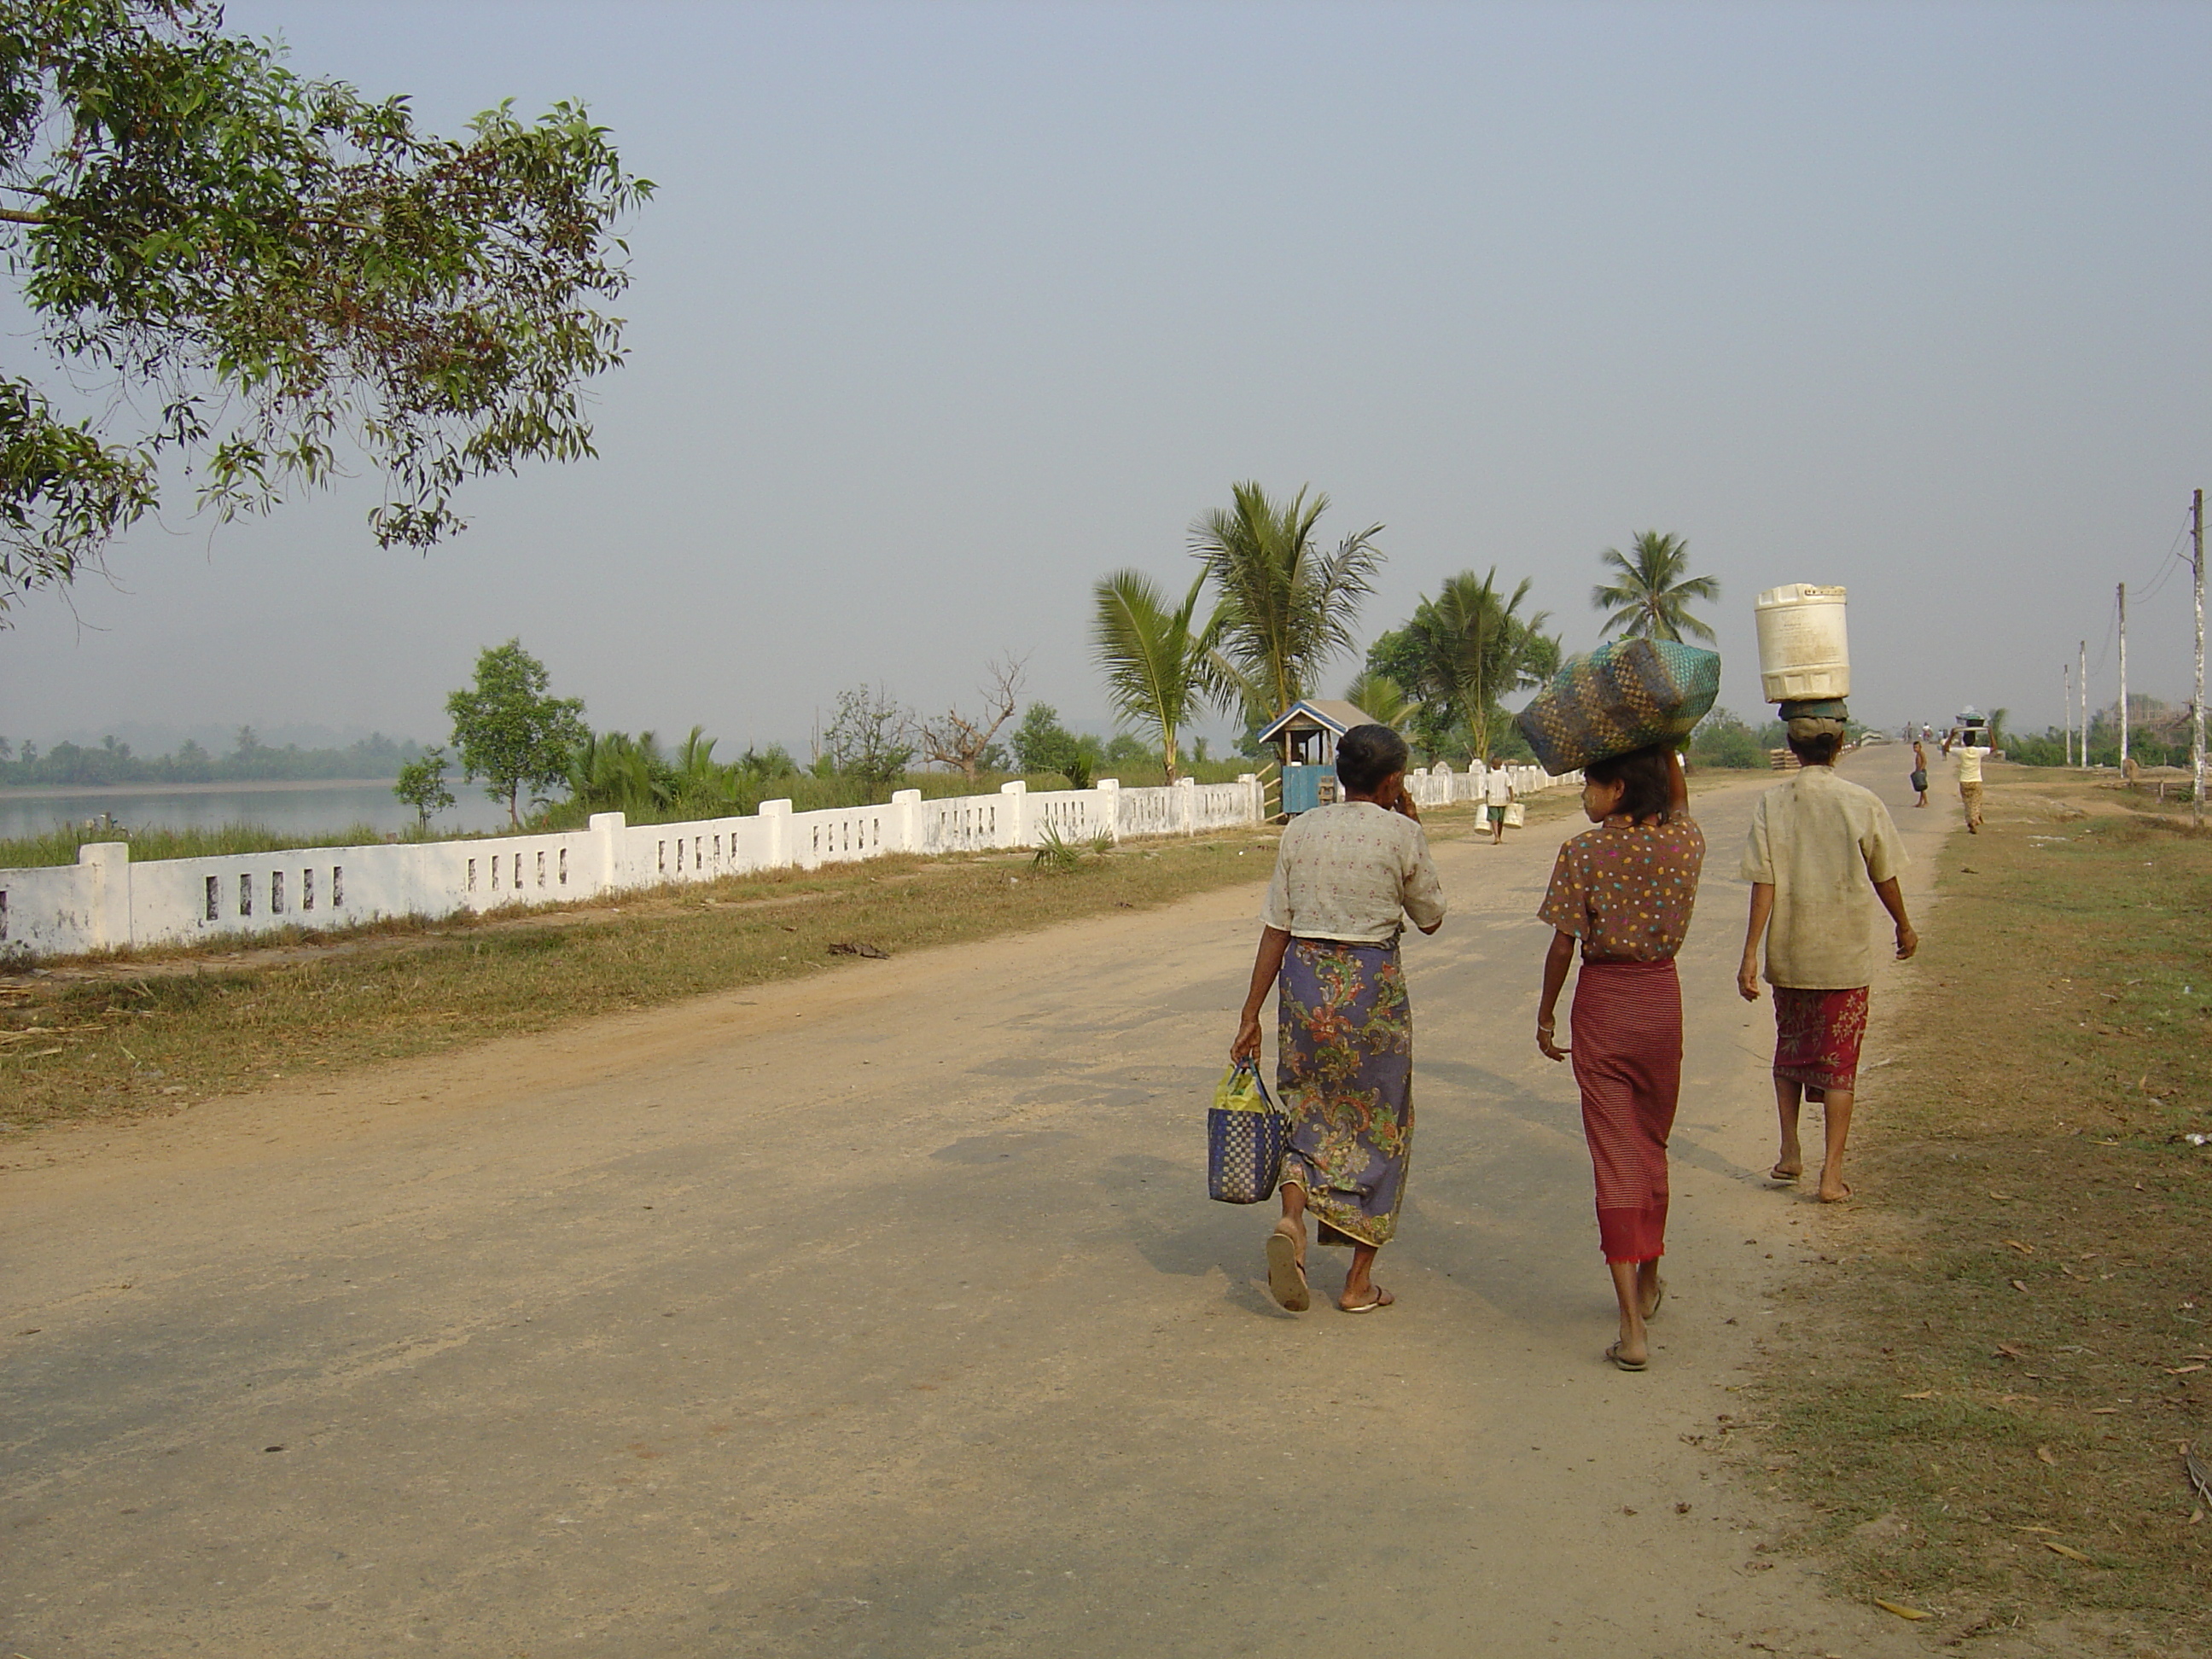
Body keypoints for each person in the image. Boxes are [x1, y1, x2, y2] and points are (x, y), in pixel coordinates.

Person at [1232, 724, 1446, 1314]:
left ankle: (1293, 1221)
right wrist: (1412, 823)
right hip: (1369, 991)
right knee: (1380, 1122)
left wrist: (1250, 1014)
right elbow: (1430, 916)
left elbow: (1276, 927)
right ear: (1394, 781)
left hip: (1304, 984)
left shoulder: (1300, 830)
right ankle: (1356, 1284)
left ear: (1338, 774)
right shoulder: (1402, 833)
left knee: (1309, 1108)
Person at [1534, 744, 1702, 1373]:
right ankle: (1651, 1279)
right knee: (1652, 1143)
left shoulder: (1584, 851)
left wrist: (1547, 1012)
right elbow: (1679, 802)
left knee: (1615, 1156)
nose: (1584, 796)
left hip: (1604, 1005)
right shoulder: (1682, 843)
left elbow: (1561, 947)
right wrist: (1663, 741)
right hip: (1661, 1002)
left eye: (1591, 785)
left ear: (1619, 791)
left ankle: (1631, 1325)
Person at [1737, 713, 1918, 1203]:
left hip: (1791, 952)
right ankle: (1830, 1175)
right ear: (1838, 744)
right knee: (1840, 1065)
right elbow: (1885, 875)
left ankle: (1790, 1149)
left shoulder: (1773, 803)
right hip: (1844, 955)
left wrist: (1750, 953)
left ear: (1792, 749)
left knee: (1789, 1049)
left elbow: (1764, 881)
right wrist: (1903, 924)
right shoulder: (1860, 801)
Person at [1941, 728, 1991, 833]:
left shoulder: (1961, 752)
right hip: (1976, 780)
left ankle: (1971, 821)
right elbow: (1994, 747)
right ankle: (1974, 821)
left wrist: (1951, 735)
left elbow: (1946, 748)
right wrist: (1990, 733)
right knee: (1976, 803)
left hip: (1964, 781)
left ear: (1964, 741)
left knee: (1967, 803)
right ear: (1974, 741)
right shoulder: (1979, 751)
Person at [1483, 758, 1515, 845]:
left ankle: (1496, 837)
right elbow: (1510, 787)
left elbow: (1486, 790)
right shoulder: (1505, 775)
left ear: (1492, 765)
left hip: (1492, 800)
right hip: (1503, 800)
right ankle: (1499, 837)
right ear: (1501, 765)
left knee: (1494, 820)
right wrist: (1512, 799)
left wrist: (1487, 800)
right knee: (1501, 820)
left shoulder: (1489, 776)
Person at [1909, 740, 1929, 808]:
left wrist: (1921, 769)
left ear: (1920, 747)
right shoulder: (1917, 755)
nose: (1915, 749)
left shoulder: (1921, 753)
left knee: (1922, 788)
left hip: (1922, 772)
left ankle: (1926, 802)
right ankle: (1920, 802)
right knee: (1920, 788)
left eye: (1916, 747)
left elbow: (1924, 762)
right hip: (1918, 772)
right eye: (1914, 747)